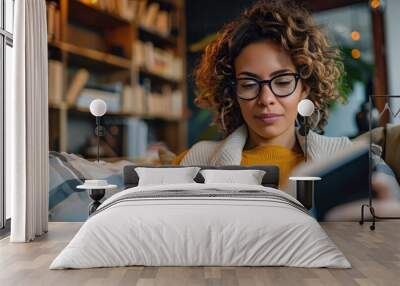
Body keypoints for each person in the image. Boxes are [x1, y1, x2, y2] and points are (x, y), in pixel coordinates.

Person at [171, 0, 399, 197]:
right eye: (249, 84)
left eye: (282, 82)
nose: (266, 99)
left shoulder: (353, 162)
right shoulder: (194, 161)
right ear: (233, 92)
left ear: (305, 87)